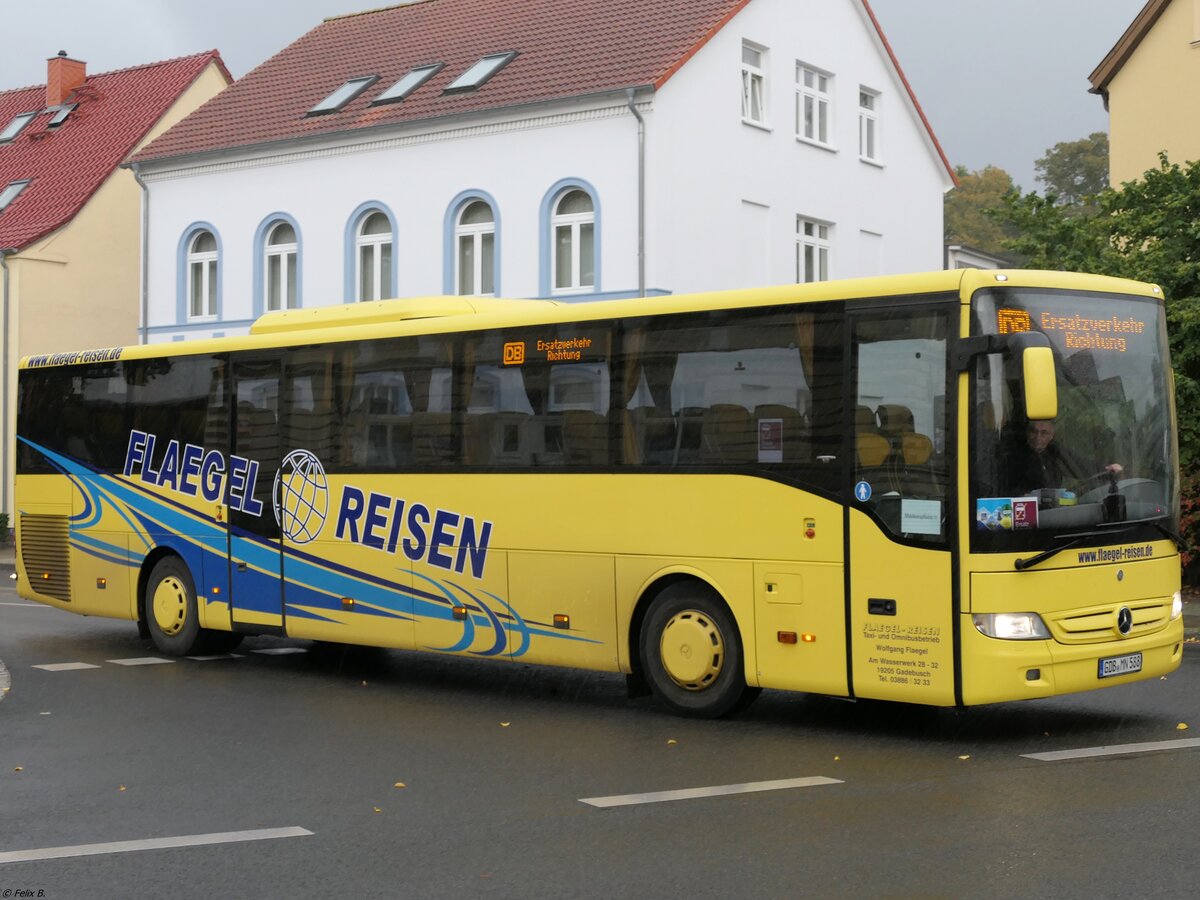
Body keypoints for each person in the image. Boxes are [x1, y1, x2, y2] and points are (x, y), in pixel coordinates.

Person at [1003, 418, 1121, 498]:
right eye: (1034, 432)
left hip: (1054, 512)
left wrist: (1106, 469)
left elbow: (1078, 465)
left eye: (1044, 433)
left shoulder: (1055, 452)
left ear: (1051, 436)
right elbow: (1005, 488)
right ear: (1027, 433)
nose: (1038, 438)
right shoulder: (1013, 456)